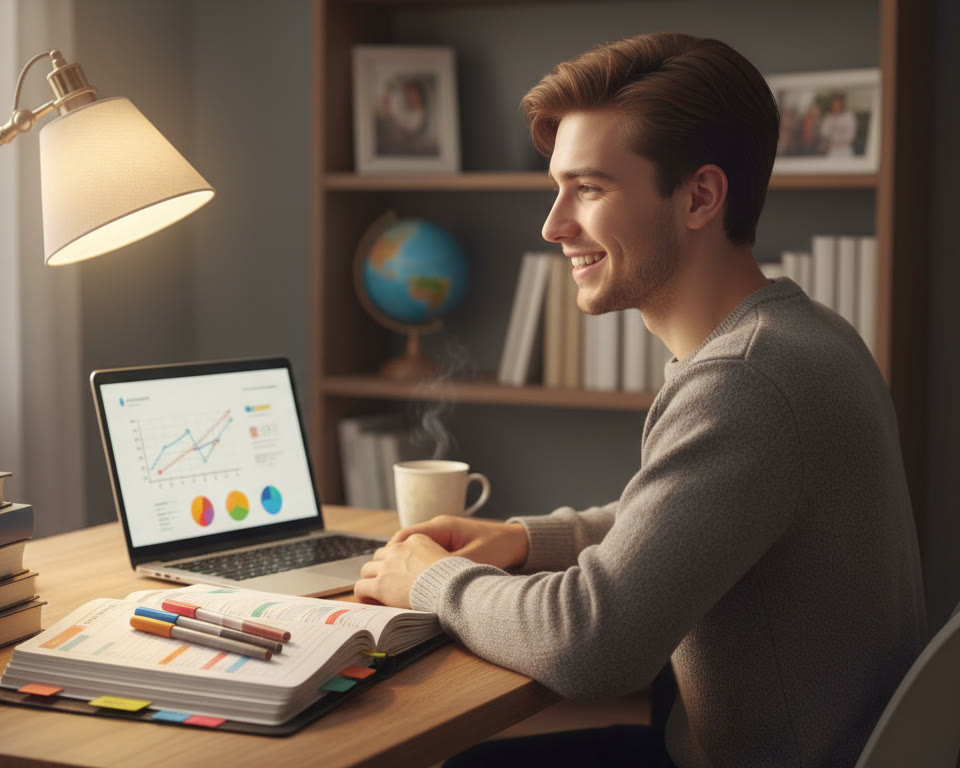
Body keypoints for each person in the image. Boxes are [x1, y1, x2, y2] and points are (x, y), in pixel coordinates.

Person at [354, 31, 925, 768]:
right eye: (557, 186)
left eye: (588, 189)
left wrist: (430, 581)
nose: (554, 225)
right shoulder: (799, 337)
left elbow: (592, 647)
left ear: (700, 197)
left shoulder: (746, 381)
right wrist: (530, 541)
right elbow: (685, 519)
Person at [820, 92, 859, 157]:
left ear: (842, 104)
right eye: (834, 104)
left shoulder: (849, 117)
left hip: (846, 150)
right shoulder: (828, 118)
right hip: (832, 150)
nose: (835, 106)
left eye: (837, 104)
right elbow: (824, 134)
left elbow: (852, 136)